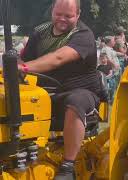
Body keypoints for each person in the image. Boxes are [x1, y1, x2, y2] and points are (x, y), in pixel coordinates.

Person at [19, 0, 101, 179]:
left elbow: (58, 58)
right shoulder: (40, 33)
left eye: (68, 16)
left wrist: (24, 68)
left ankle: (67, 166)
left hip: (81, 92)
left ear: (78, 16)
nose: (62, 19)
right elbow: (23, 59)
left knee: (75, 101)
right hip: (47, 94)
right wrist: (15, 64)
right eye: (58, 14)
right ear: (52, 12)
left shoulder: (83, 34)